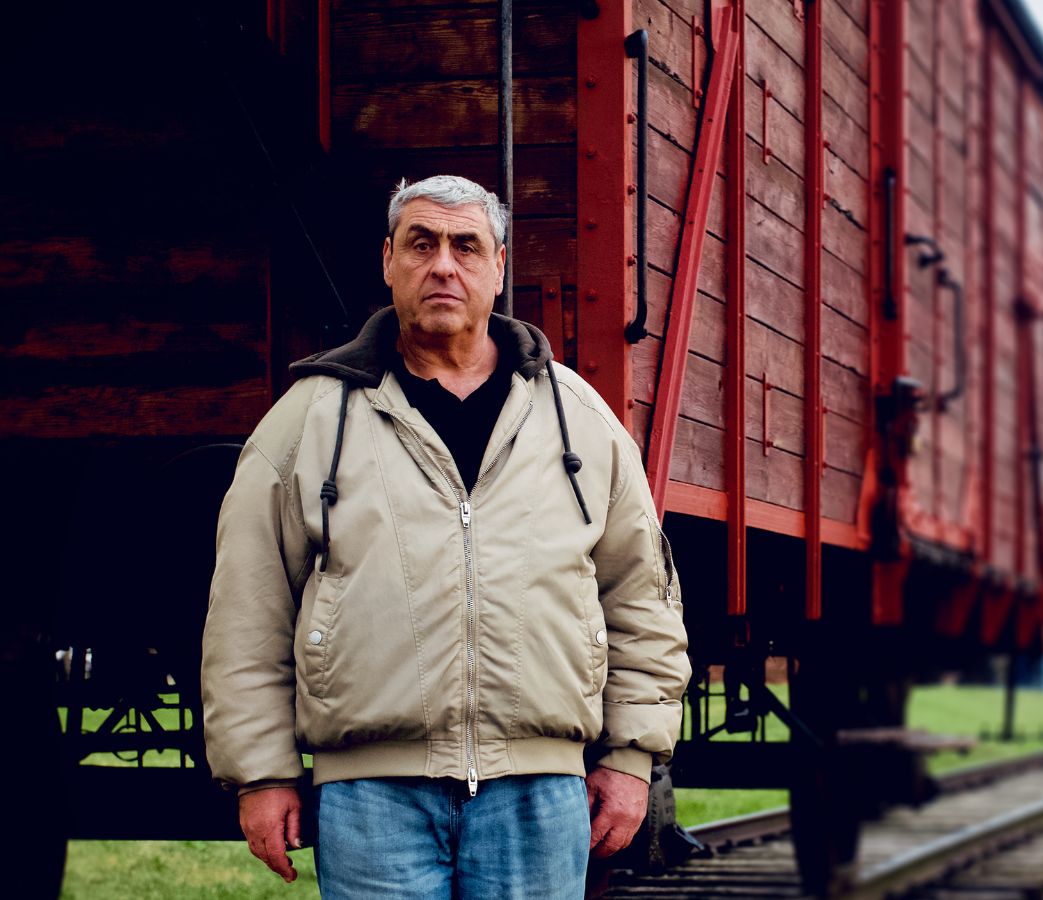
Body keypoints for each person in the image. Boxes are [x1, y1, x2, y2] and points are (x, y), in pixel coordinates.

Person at [201, 174, 691, 898]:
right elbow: (248, 610)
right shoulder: (308, 420)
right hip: (371, 797)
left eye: (466, 246)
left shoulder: (579, 419)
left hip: (537, 791)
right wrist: (262, 773)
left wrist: (630, 758)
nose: (443, 265)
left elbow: (642, 601)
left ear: (498, 266)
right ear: (388, 261)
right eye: (421, 244)